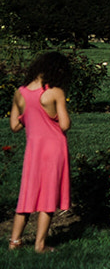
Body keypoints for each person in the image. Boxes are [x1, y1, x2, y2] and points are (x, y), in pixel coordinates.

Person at [9, 52, 70, 253]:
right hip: (54, 150)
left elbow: (15, 126)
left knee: (27, 195)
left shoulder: (20, 93)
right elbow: (64, 124)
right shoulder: (55, 92)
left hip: (33, 151)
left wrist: (30, 116)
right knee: (48, 196)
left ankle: (14, 241)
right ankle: (40, 244)